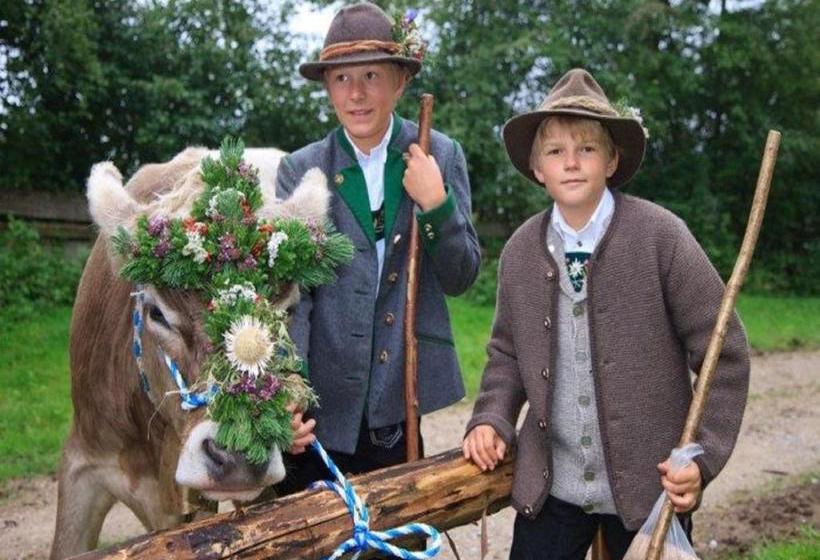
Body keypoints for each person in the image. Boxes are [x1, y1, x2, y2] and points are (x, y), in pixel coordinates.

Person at [462, 68, 750, 559]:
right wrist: (491, 417)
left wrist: (700, 459)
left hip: (651, 488)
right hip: (553, 487)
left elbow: (725, 352)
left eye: (587, 149)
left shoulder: (661, 237)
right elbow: (507, 353)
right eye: (556, 151)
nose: (572, 163)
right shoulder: (520, 251)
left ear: (612, 160)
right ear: (537, 168)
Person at [275, 2, 480, 492]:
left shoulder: (439, 154)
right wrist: (287, 389)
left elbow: (461, 276)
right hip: (316, 411)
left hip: (396, 404)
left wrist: (436, 205)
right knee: (304, 527)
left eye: (371, 75)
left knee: (394, 523)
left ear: (400, 81)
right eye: (341, 79)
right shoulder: (302, 170)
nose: (356, 93)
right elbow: (291, 297)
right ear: (327, 87)